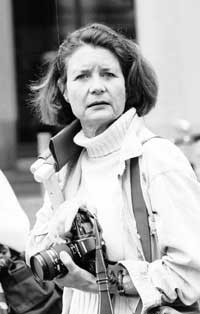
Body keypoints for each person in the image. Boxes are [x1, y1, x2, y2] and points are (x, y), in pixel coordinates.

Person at [26, 23, 200, 314]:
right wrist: (58, 240)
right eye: (82, 76)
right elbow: (36, 255)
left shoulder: (157, 159)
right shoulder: (63, 167)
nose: (97, 86)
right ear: (64, 90)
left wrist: (101, 280)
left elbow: (191, 274)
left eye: (108, 74)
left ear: (126, 85)